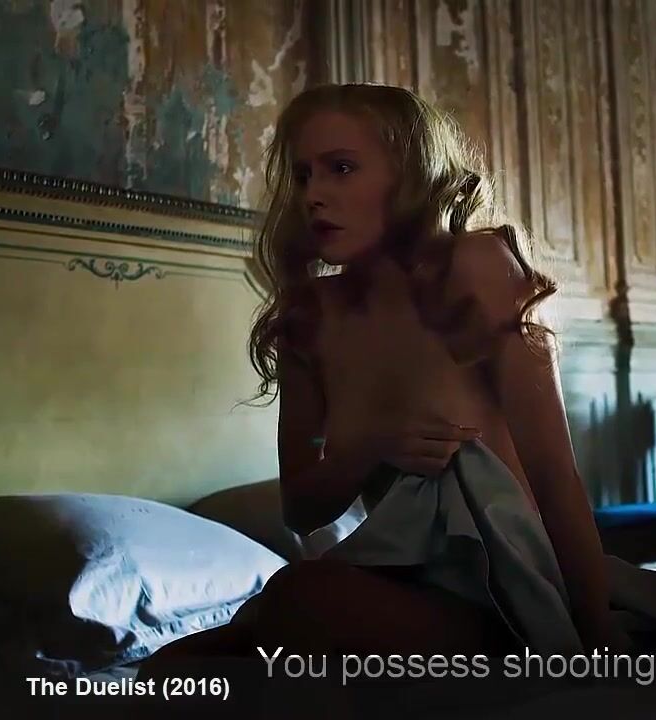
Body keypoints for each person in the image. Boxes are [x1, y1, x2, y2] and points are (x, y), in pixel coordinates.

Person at [139, 83, 615, 672]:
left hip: (501, 589)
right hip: (395, 581)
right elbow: (302, 508)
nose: (314, 195)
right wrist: (368, 446)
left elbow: (555, 476)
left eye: (341, 169)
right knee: (170, 671)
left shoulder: (476, 267)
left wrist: (599, 648)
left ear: (411, 176)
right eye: (304, 175)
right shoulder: (310, 315)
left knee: (297, 599)